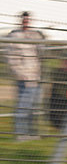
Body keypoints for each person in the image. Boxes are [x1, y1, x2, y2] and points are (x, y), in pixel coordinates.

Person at [5, 12, 44, 140]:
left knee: (34, 107)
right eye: (24, 20)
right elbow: (11, 59)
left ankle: (32, 133)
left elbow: (40, 49)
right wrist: (20, 74)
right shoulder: (14, 36)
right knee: (23, 106)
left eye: (28, 20)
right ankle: (21, 134)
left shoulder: (33, 35)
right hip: (24, 78)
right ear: (21, 21)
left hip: (35, 76)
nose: (26, 22)